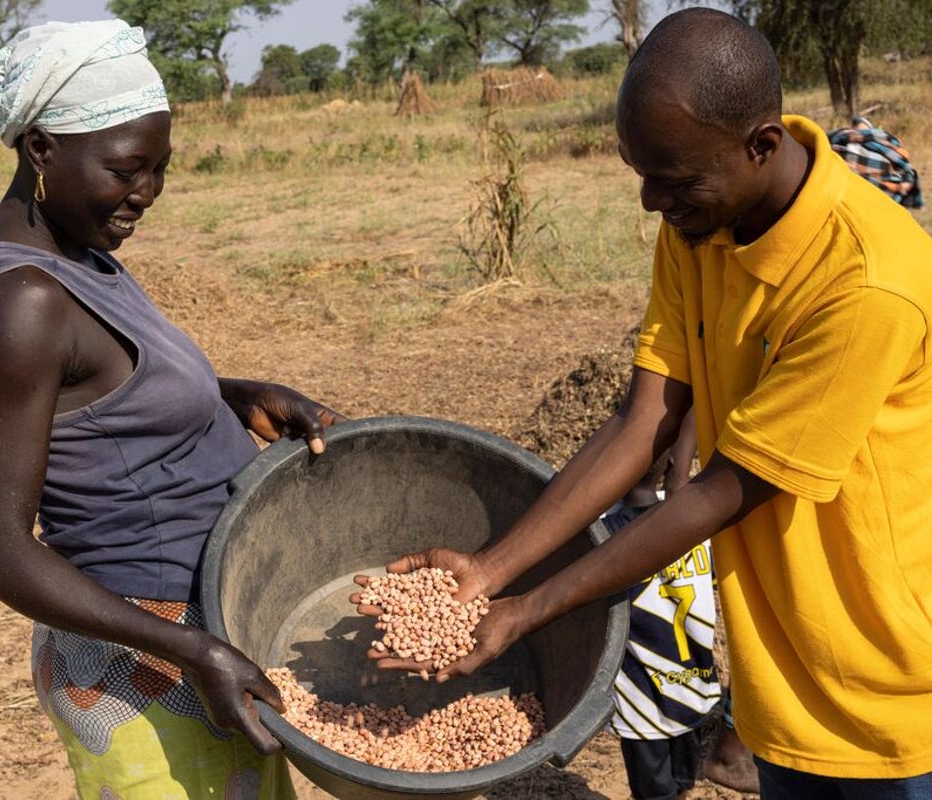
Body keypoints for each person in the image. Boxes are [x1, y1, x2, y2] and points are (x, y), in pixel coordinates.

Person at [355, 8, 932, 798]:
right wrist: (489, 572)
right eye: (641, 174)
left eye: (673, 180)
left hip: (890, 682)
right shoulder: (703, 223)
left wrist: (529, 611)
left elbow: (722, 488)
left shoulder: (866, 282)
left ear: (760, 146)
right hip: (783, 667)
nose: (649, 203)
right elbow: (643, 421)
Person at [0, 20, 343, 800]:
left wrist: (231, 396)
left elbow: (103, 396)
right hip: (144, 660)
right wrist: (190, 649)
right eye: (128, 169)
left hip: (201, 632)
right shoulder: (24, 301)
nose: (147, 194)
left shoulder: (82, 256)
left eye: (161, 168)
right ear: (41, 150)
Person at [601, 408, 720, 800]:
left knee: (655, 791)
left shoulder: (604, 535)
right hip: (693, 685)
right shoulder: (696, 518)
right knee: (684, 781)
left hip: (643, 699)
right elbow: (691, 420)